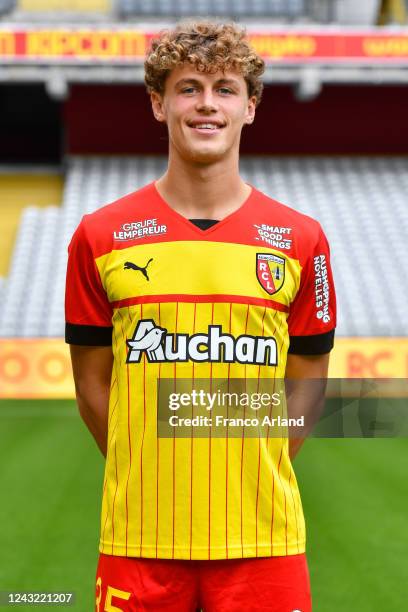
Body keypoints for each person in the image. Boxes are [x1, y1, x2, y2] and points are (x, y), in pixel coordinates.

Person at [65, 21, 336, 612]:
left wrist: (256, 457)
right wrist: (149, 462)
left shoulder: (300, 239)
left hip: (265, 541)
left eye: (225, 88)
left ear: (251, 106)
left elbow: (309, 377)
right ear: (159, 104)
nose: (207, 104)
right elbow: (91, 381)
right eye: (188, 88)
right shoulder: (100, 235)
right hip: (139, 539)